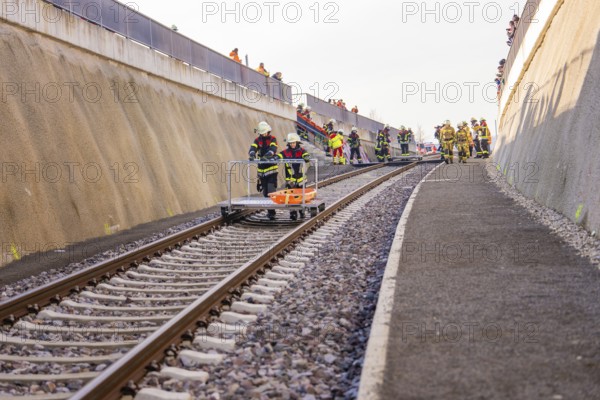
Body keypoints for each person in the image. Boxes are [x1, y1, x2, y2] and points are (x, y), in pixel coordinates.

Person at [249, 121, 278, 220]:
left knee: (271, 190)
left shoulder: (273, 139)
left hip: (272, 169)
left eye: (265, 132)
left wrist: (268, 155)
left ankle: (272, 212)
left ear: (268, 131)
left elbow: (273, 148)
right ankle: (270, 212)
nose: (263, 134)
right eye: (262, 133)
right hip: (262, 169)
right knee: (265, 192)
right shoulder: (258, 140)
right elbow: (253, 147)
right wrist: (252, 153)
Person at [277, 133, 310, 220]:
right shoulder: (286, 152)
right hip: (290, 179)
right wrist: (276, 157)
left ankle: (302, 211)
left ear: (297, 142)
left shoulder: (302, 151)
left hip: (301, 179)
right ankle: (293, 213)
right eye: (290, 143)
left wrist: (306, 157)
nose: (292, 144)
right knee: (290, 197)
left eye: (294, 143)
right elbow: (280, 155)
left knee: (301, 196)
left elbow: (306, 155)